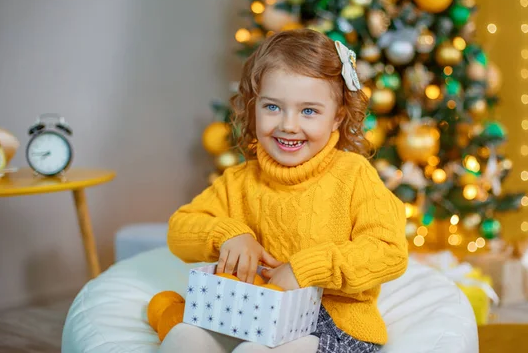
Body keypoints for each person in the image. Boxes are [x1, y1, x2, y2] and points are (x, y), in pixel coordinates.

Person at [160, 29, 408, 353]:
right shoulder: (240, 180)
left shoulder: (354, 175)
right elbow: (179, 230)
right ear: (253, 107)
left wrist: (305, 269)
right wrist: (228, 234)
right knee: (183, 338)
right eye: (273, 107)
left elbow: (389, 252)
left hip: (334, 326)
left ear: (337, 118)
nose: (288, 125)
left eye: (309, 111)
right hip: (254, 315)